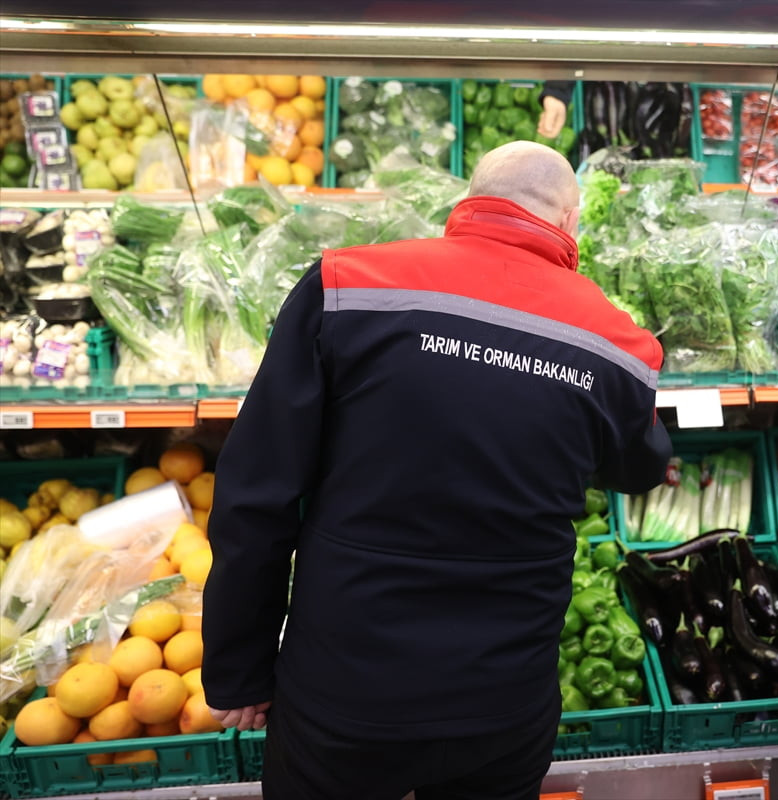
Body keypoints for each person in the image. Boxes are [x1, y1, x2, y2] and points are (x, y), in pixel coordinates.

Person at [201, 141, 672, 800]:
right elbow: (639, 463)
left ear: (467, 204)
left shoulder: (346, 288)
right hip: (504, 700)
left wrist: (237, 667)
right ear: (570, 222)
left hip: (345, 689)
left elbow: (256, 495)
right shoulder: (615, 345)